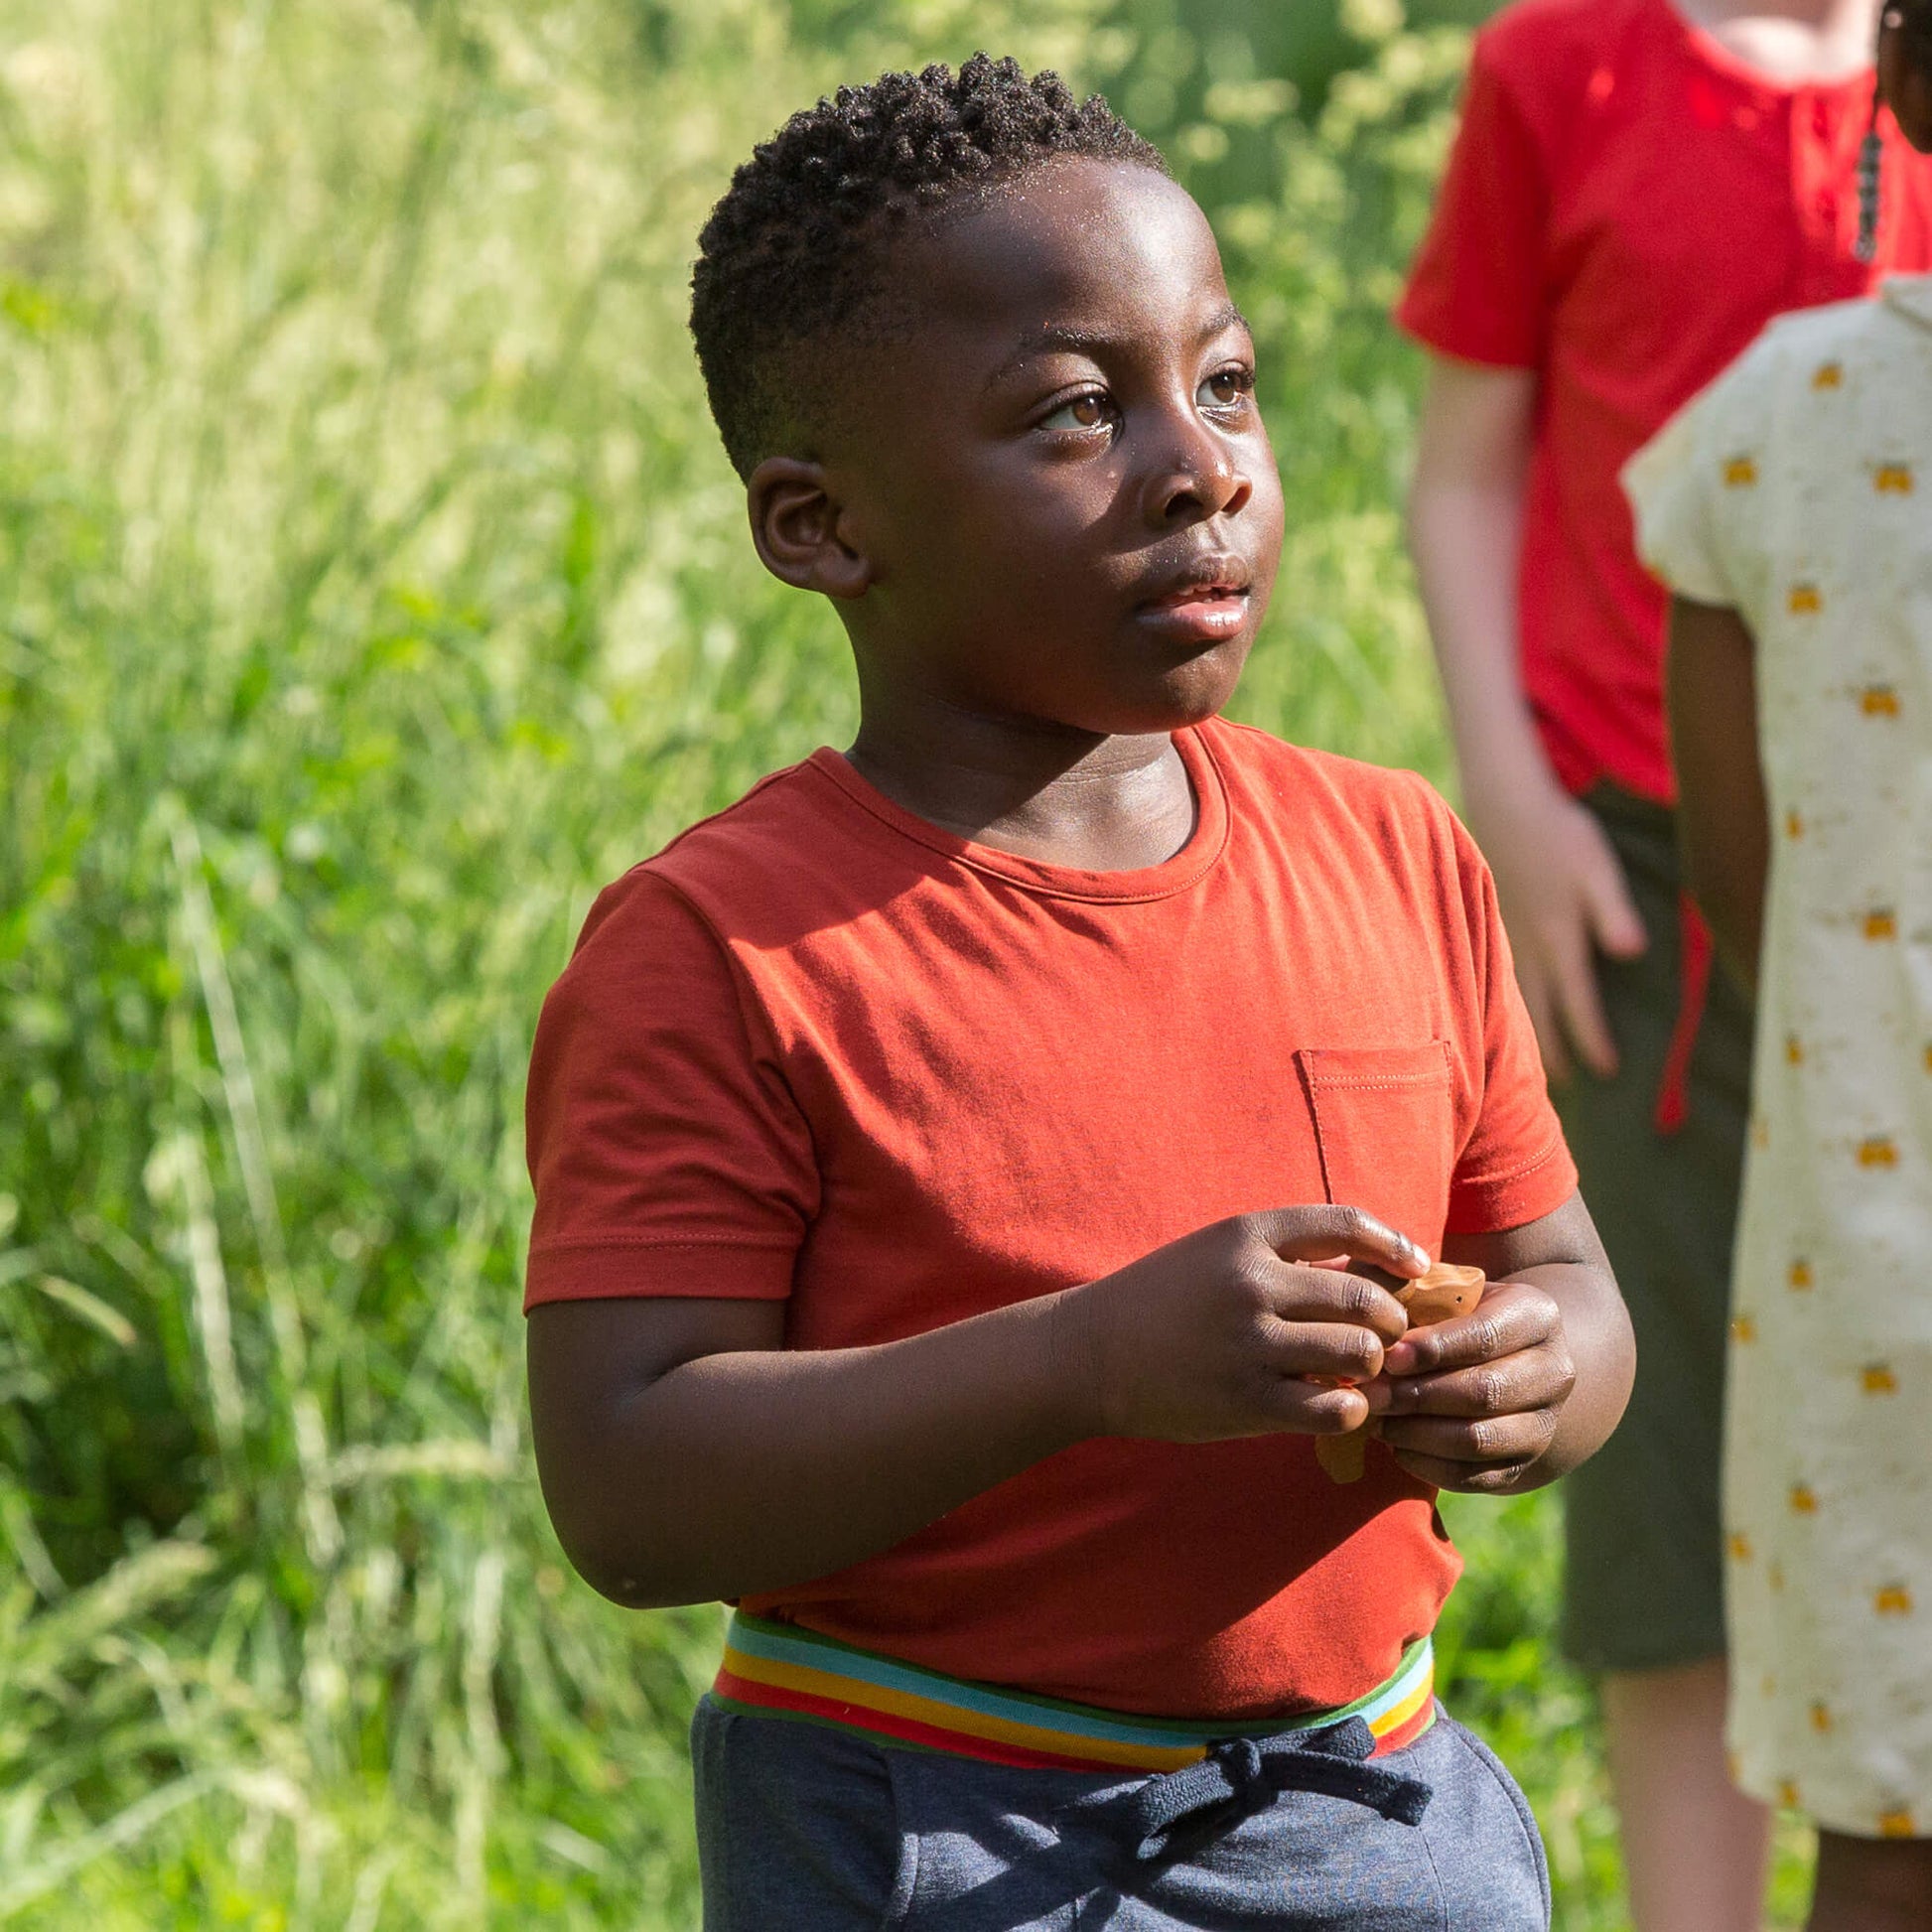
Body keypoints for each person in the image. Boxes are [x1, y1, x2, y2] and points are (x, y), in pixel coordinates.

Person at [522, 56, 1634, 1932]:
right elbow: (630, 1487)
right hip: (933, 1826)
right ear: (818, 525)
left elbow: (1564, 1277)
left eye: (1222, 383)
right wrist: (1084, 1363)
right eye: (1070, 412)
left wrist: (1538, 1381)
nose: (1200, 465)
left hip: (1382, 1805)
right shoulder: (723, 946)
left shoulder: (1393, 853)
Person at [1397, 3, 1932, 1924]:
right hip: (1633, 865)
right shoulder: (1563, 64)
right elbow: (1462, 465)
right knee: (1667, 1447)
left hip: (1907, 848)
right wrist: (1512, 798)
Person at [1624, 9, 1932, 1925]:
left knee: (1887, 1831)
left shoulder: (1778, 417)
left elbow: (1737, 877)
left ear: (1898, 80)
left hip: (1872, 1246)